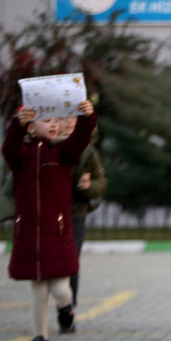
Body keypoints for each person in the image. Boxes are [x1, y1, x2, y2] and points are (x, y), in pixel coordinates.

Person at [3, 101, 96, 341]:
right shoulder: (21, 156)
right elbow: (9, 148)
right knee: (38, 290)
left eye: (56, 120)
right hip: (29, 233)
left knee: (59, 289)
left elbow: (80, 139)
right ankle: (39, 339)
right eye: (46, 121)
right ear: (30, 127)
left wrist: (87, 118)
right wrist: (17, 125)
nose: (54, 124)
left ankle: (66, 307)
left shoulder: (63, 153)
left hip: (57, 231)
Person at [56, 116, 107, 327]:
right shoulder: (42, 147)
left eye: (72, 118)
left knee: (71, 264)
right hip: (48, 215)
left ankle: (68, 309)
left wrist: (89, 186)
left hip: (75, 214)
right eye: (62, 118)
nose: (68, 123)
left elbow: (101, 182)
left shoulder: (87, 151)